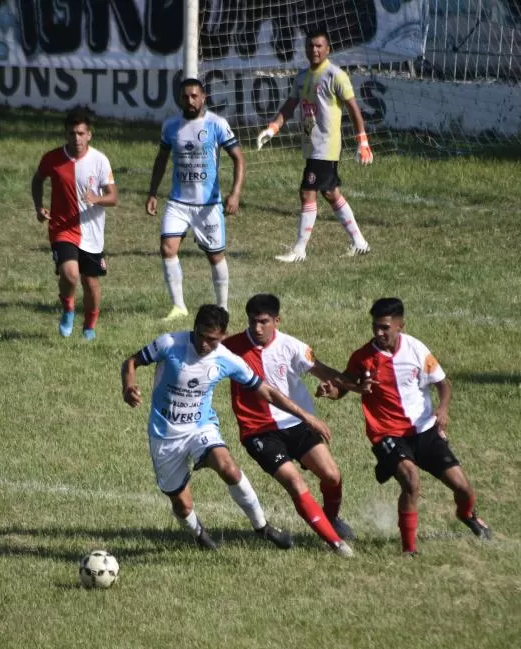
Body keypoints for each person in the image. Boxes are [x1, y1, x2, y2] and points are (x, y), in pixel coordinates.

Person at [121, 304, 328, 551]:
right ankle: (199, 534)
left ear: (223, 336)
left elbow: (268, 393)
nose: (205, 345)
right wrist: (128, 386)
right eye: (202, 337)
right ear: (194, 328)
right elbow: (131, 361)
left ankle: (262, 527)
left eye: (213, 340)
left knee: (229, 468)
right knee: (182, 505)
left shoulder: (226, 359)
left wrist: (306, 416)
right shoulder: (169, 343)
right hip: (165, 435)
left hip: (201, 428)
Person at [326, 297, 492, 555]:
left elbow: (443, 383)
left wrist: (443, 408)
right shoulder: (363, 358)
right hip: (386, 433)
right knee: (411, 481)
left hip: (424, 430)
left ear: (400, 325)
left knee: (463, 488)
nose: (379, 333)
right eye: (375, 327)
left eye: (385, 327)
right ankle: (409, 550)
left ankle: (467, 515)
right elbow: (345, 385)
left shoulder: (416, 349)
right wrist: (332, 391)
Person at [223, 294, 371, 556]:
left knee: (332, 475)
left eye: (263, 322)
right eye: (252, 322)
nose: (256, 328)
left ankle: (331, 519)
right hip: (258, 430)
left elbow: (324, 371)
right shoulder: (232, 347)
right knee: (295, 482)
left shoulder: (291, 346)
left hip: (296, 423)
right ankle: (335, 543)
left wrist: (354, 387)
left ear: (276, 321)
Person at [256, 28, 372, 262]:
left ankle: (299, 249)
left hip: (326, 146)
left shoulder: (335, 75)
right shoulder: (302, 77)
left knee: (307, 192)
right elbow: (289, 106)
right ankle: (360, 242)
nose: (314, 50)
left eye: (319, 46)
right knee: (330, 193)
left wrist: (362, 140)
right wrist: (272, 128)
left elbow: (353, 108)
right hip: (312, 145)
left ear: (328, 49)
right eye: (310, 46)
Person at [146, 77, 245, 320]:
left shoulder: (217, 124)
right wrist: (152, 192)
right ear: (180, 99)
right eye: (185, 97)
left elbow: (239, 159)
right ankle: (179, 307)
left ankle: (222, 306)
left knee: (215, 256)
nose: (189, 100)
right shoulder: (171, 126)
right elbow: (160, 160)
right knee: (167, 248)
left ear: (203, 98)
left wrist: (235, 193)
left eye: (194, 96)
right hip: (178, 203)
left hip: (208, 205)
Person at [31, 108, 118, 340]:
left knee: (90, 283)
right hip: (62, 229)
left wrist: (97, 199)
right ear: (66, 134)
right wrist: (38, 206)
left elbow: (113, 196)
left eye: (81, 133)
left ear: (89, 134)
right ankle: (68, 308)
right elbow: (38, 180)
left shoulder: (99, 161)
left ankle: (89, 326)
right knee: (70, 275)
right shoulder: (52, 159)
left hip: (92, 232)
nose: (76, 138)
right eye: (72, 133)